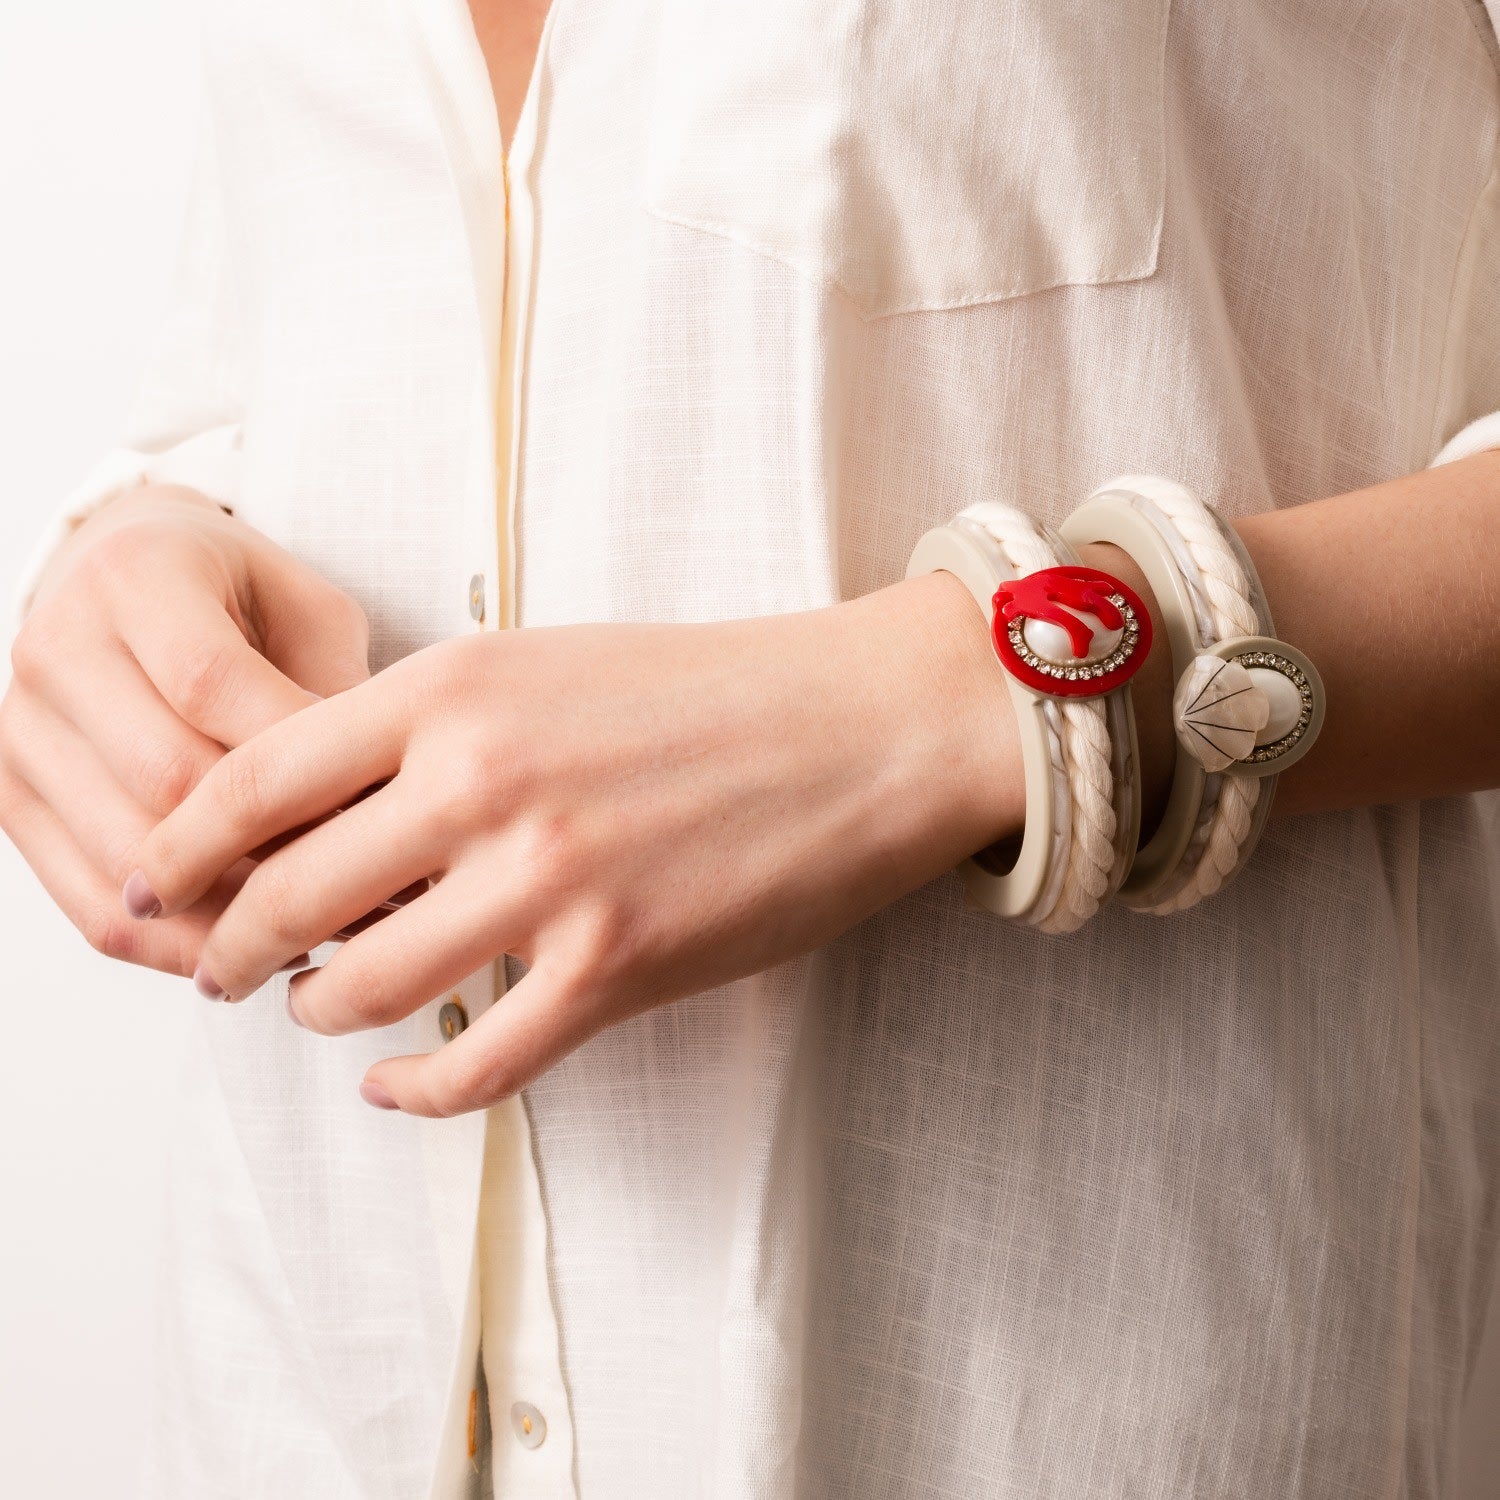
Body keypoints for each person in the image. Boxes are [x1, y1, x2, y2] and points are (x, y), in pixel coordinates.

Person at [4, 0, 1500, 1495]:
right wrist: (141, 538)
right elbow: (271, 347)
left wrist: (945, 704)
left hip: (1080, 1380)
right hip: (300, 1364)